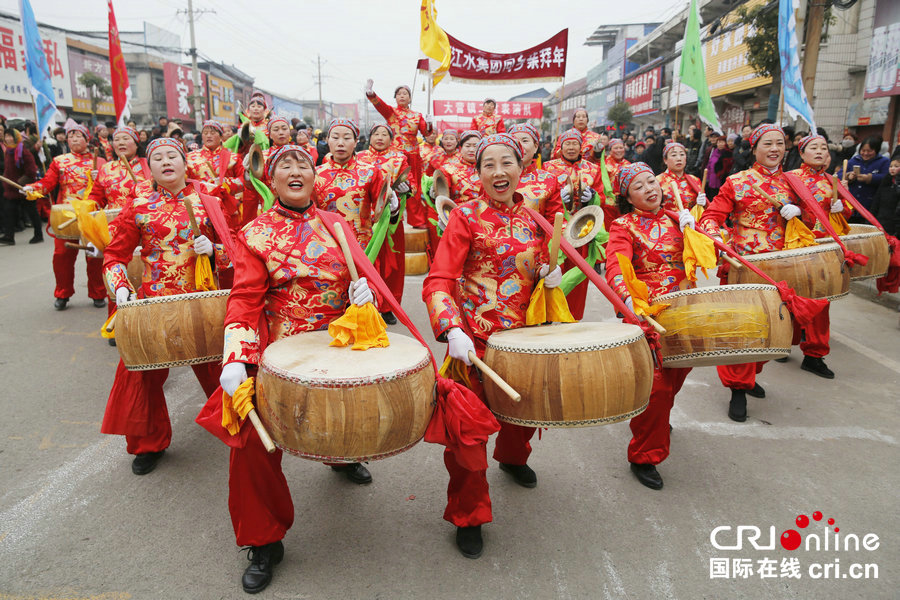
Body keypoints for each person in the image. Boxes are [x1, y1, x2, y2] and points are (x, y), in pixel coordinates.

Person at [206, 144, 380, 593]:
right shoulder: (257, 233)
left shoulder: (336, 224)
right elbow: (244, 299)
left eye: (304, 162)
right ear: (273, 178)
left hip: (340, 344)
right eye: (286, 164)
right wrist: (235, 356)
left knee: (347, 414)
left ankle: (340, 457)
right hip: (282, 352)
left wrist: (367, 296)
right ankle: (264, 540)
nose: (296, 169)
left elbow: (364, 277)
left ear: (315, 176)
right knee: (250, 441)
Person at [422, 133, 562, 559]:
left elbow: (535, 263)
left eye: (507, 163)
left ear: (523, 168)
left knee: (522, 411)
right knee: (466, 435)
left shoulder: (533, 220)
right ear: (477, 173)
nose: (499, 172)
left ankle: (514, 458)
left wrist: (547, 274)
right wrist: (451, 329)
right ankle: (469, 514)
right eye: (489, 165)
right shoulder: (464, 217)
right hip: (474, 343)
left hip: (523, 340)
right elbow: (439, 279)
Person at [100, 137, 231, 475]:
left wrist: (214, 250)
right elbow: (115, 256)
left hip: (203, 302)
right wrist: (121, 289)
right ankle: (148, 443)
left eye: (172, 155)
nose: (165, 161)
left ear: (186, 162)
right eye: (157, 157)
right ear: (149, 167)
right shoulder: (138, 206)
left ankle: (237, 427)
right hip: (154, 305)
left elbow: (237, 253)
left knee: (222, 373)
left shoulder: (209, 201)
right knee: (139, 374)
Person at [699, 123, 804, 422]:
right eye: (767, 143)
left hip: (784, 266)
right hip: (744, 265)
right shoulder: (738, 182)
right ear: (754, 148)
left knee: (776, 329)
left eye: (780, 143)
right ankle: (738, 389)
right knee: (744, 329)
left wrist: (802, 213)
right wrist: (717, 238)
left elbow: (816, 222)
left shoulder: (795, 183)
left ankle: (752, 372)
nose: (774, 149)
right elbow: (712, 216)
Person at [605, 162, 696, 490]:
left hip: (686, 310)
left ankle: (656, 420)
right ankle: (644, 454)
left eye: (651, 181)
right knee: (656, 386)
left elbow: (707, 255)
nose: (650, 188)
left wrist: (695, 232)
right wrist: (628, 300)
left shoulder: (677, 217)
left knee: (677, 375)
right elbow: (617, 264)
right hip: (648, 315)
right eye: (639, 186)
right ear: (628, 197)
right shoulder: (623, 226)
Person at [783, 134, 853, 379]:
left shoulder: (832, 180)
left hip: (825, 248)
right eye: (814, 147)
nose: (820, 151)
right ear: (802, 154)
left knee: (822, 302)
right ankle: (782, 343)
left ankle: (814, 355)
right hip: (797, 247)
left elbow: (848, 209)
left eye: (824, 148)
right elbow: (777, 207)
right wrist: (796, 211)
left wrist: (842, 207)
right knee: (791, 298)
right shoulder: (790, 179)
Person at [23, 122, 107, 310]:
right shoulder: (59, 161)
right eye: (71, 136)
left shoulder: (100, 162)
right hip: (65, 216)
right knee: (62, 256)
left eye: (79, 136)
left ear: (87, 139)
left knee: (94, 256)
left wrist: (100, 176)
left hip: (91, 215)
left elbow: (108, 186)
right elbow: (48, 182)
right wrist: (33, 188)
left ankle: (98, 292)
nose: (74, 139)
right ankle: (63, 293)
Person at [539, 128, 602, 321]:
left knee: (578, 276)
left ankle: (573, 318)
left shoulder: (593, 169)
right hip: (555, 231)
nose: (572, 147)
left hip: (583, 230)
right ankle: (550, 315)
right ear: (561, 146)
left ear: (581, 146)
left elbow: (603, 199)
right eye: (568, 143)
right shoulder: (548, 168)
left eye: (575, 143)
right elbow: (541, 196)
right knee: (553, 273)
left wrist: (593, 196)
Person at [315, 118, 395, 267]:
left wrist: (393, 206)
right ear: (327, 140)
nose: (340, 143)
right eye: (335, 137)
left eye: (346, 138)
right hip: (326, 245)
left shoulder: (370, 172)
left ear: (356, 141)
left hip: (363, 247)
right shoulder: (315, 175)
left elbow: (381, 210)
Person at [357, 123, 410, 320]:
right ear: (369, 137)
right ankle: (364, 303)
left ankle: (388, 306)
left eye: (384, 134)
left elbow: (408, 183)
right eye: (376, 134)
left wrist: (404, 189)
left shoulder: (399, 159)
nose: (379, 137)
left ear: (391, 138)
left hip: (391, 218)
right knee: (365, 261)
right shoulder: (359, 158)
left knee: (392, 265)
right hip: (363, 219)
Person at [364, 79, 432, 228]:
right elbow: (379, 105)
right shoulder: (391, 113)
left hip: (412, 155)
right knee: (390, 186)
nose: (402, 96)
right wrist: (371, 93)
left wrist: (429, 123)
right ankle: (388, 216)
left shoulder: (417, 115)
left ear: (410, 98)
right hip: (394, 157)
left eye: (405, 93)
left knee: (413, 188)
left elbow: (427, 133)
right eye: (399, 94)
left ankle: (417, 220)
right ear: (395, 97)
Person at [508, 123, 564, 220]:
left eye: (525, 141)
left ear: (535, 146)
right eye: (514, 141)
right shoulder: (495, 177)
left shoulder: (549, 180)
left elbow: (556, 222)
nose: (520, 146)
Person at [1, 128, 40, 245]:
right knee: (9, 211)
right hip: (11, 189)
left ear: (16, 137)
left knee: (32, 212)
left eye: (10, 136)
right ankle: (9, 236)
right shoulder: (8, 151)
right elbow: (8, 169)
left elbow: (31, 171)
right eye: (6, 136)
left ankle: (38, 235)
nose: (8, 138)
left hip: (24, 188)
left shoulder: (23, 151)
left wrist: (20, 183)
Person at [837, 135, 891, 220]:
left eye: (869, 151)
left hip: (870, 205)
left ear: (876, 151)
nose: (865, 153)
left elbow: (887, 177)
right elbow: (839, 175)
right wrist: (848, 176)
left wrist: (869, 178)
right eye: (863, 150)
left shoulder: (884, 161)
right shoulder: (854, 160)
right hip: (851, 204)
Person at [433, 130, 482, 203]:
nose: (471, 150)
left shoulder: (489, 168)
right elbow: (443, 197)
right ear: (460, 148)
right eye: (467, 146)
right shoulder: (448, 169)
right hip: (459, 211)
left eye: (475, 146)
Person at [657, 141, 706, 212]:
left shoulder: (695, 180)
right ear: (665, 160)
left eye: (682, 154)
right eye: (674, 155)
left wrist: (701, 205)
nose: (679, 158)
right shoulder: (658, 181)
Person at [871, 157, 900, 236]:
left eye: (896, 166)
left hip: (894, 223)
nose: (892, 169)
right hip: (882, 219)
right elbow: (876, 201)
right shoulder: (886, 181)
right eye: (891, 166)